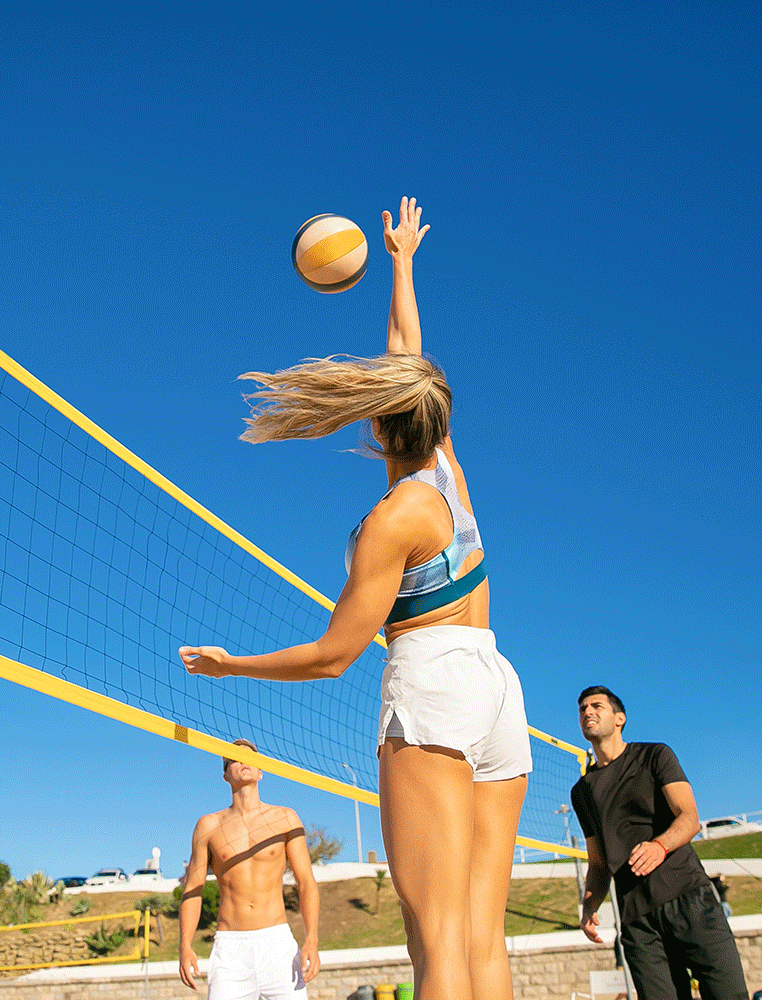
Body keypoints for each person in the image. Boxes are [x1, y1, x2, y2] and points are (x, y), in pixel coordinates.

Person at [180, 198, 531, 1000]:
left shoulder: (391, 518)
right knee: (481, 932)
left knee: (433, 939)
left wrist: (235, 667)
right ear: (432, 418)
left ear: (377, 425)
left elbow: (335, 656)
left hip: (434, 685)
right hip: (498, 687)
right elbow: (408, 356)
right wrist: (402, 262)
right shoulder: (449, 477)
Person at [571, 687, 748, 1000]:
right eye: (582, 708)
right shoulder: (582, 790)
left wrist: (660, 845)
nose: (587, 712)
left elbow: (689, 818)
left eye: (596, 705)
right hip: (637, 921)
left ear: (619, 718)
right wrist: (589, 904)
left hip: (687, 897)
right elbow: (598, 862)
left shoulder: (654, 755)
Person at [178, 740, 319, 1000]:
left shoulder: (285, 817)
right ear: (225, 775)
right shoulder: (208, 826)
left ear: (261, 771)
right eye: (234, 758)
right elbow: (193, 889)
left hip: (277, 945)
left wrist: (312, 938)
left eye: (250, 758)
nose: (244, 762)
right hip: (231, 949)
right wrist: (184, 945)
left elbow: (306, 882)